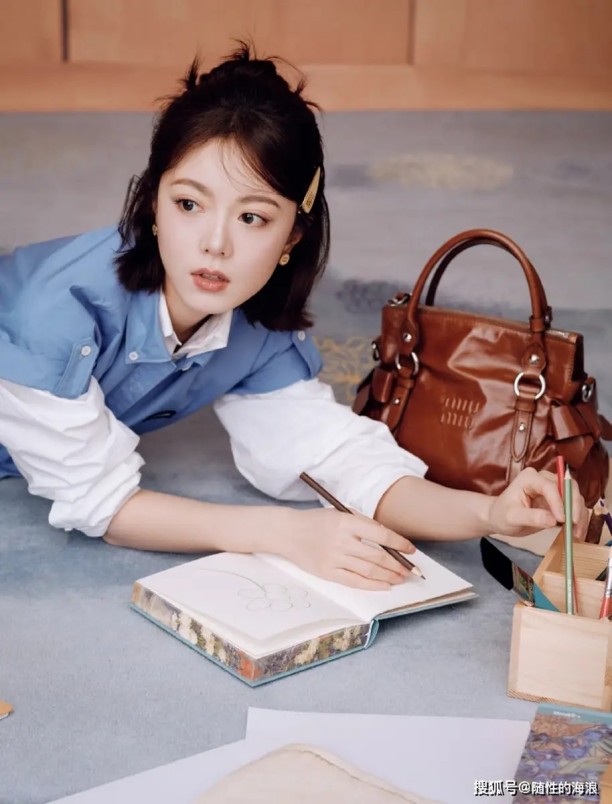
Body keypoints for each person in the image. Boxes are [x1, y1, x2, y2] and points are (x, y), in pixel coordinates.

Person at [0, 44, 587, 590]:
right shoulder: (55, 315)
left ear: (292, 237)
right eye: (188, 203)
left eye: (252, 217)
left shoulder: (255, 326)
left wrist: (488, 511)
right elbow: (103, 505)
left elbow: (339, 460)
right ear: (153, 203)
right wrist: (281, 534)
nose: (215, 244)